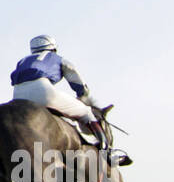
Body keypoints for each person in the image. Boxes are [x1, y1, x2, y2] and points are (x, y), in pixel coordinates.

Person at [10, 35, 131, 166]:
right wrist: (82, 94)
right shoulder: (57, 58)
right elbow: (76, 80)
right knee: (86, 112)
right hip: (43, 91)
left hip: (17, 95)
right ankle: (108, 153)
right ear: (53, 48)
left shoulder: (22, 61)